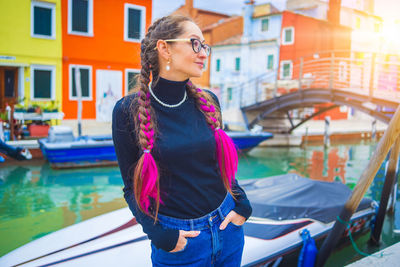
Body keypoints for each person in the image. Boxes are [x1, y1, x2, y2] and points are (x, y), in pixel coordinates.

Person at [112, 15, 252, 266]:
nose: (203, 53)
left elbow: (219, 166)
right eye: (194, 44)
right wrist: (158, 234)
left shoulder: (209, 101)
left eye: (204, 46)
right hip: (181, 243)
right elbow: (131, 187)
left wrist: (242, 204)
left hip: (227, 228)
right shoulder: (127, 110)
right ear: (164, 48)